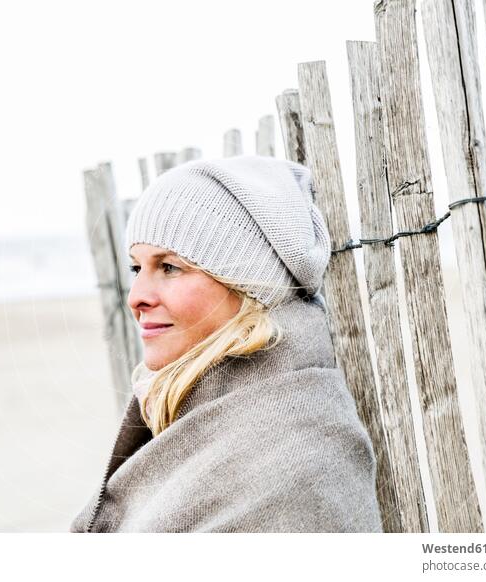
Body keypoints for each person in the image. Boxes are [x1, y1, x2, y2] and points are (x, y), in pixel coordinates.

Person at [70, 155, 383, 533]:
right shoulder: (202, 413)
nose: (136, 297)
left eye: (169, 267)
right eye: (137, 268)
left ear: (245, 284)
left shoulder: (296, 460)